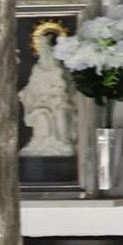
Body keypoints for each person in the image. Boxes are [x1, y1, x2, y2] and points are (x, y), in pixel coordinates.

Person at [18, 22, 77, 158]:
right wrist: (25, 94)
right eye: (42, 50)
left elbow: (65, 87)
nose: (45, 54)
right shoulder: (37, 69)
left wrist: (57, 94)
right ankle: (43, 143)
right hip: (42, 103)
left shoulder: (60, 70)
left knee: (61, 114)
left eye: (47, 50)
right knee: (41, 116)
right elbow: (33, 87)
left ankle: (62, 142)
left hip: (60, 103)